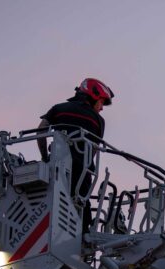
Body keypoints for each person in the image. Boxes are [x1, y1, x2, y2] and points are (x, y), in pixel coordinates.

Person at [38, 77, 114, 233]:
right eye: (101, 102)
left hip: (55, 171)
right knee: (81, 217)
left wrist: (45, 158)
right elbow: (94, 149)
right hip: (81, 178)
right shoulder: (98, 120)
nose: (101, 108)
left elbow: (40, 131)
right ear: (93, 96)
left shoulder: (58, 109)